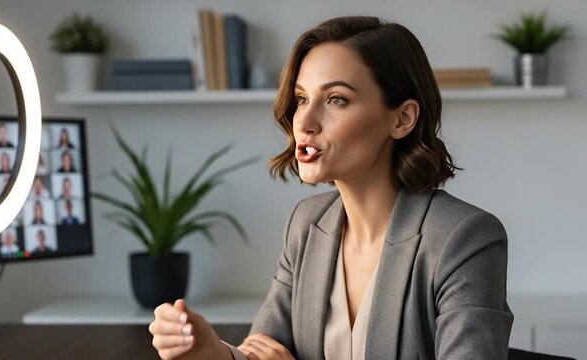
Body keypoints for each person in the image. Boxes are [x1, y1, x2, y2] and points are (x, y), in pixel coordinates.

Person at [148, 16, 513, 360]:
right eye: (302, 99)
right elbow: (264, 348)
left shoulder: (463, 238)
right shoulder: (306, 223)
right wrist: (212, 352)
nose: (304, 121)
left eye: (336, 99)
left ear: (402, 118)